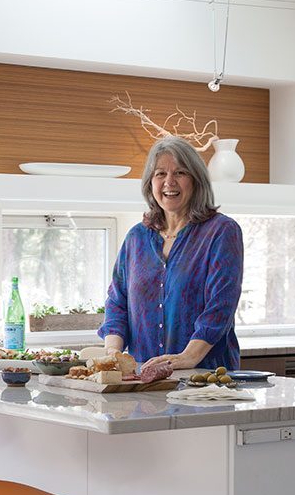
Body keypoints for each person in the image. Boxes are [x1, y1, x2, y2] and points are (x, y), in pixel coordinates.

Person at [98, 136, 243, 371]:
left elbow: (220, 306)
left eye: (180, 173)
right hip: (144, 379)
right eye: (160, 174)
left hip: (205, 378)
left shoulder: (221, 232)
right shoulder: (137, 237)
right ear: (150, 183)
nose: (169, 182)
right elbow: (117, 302)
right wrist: (112, 353)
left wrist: (187, 357)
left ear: (196, 180)